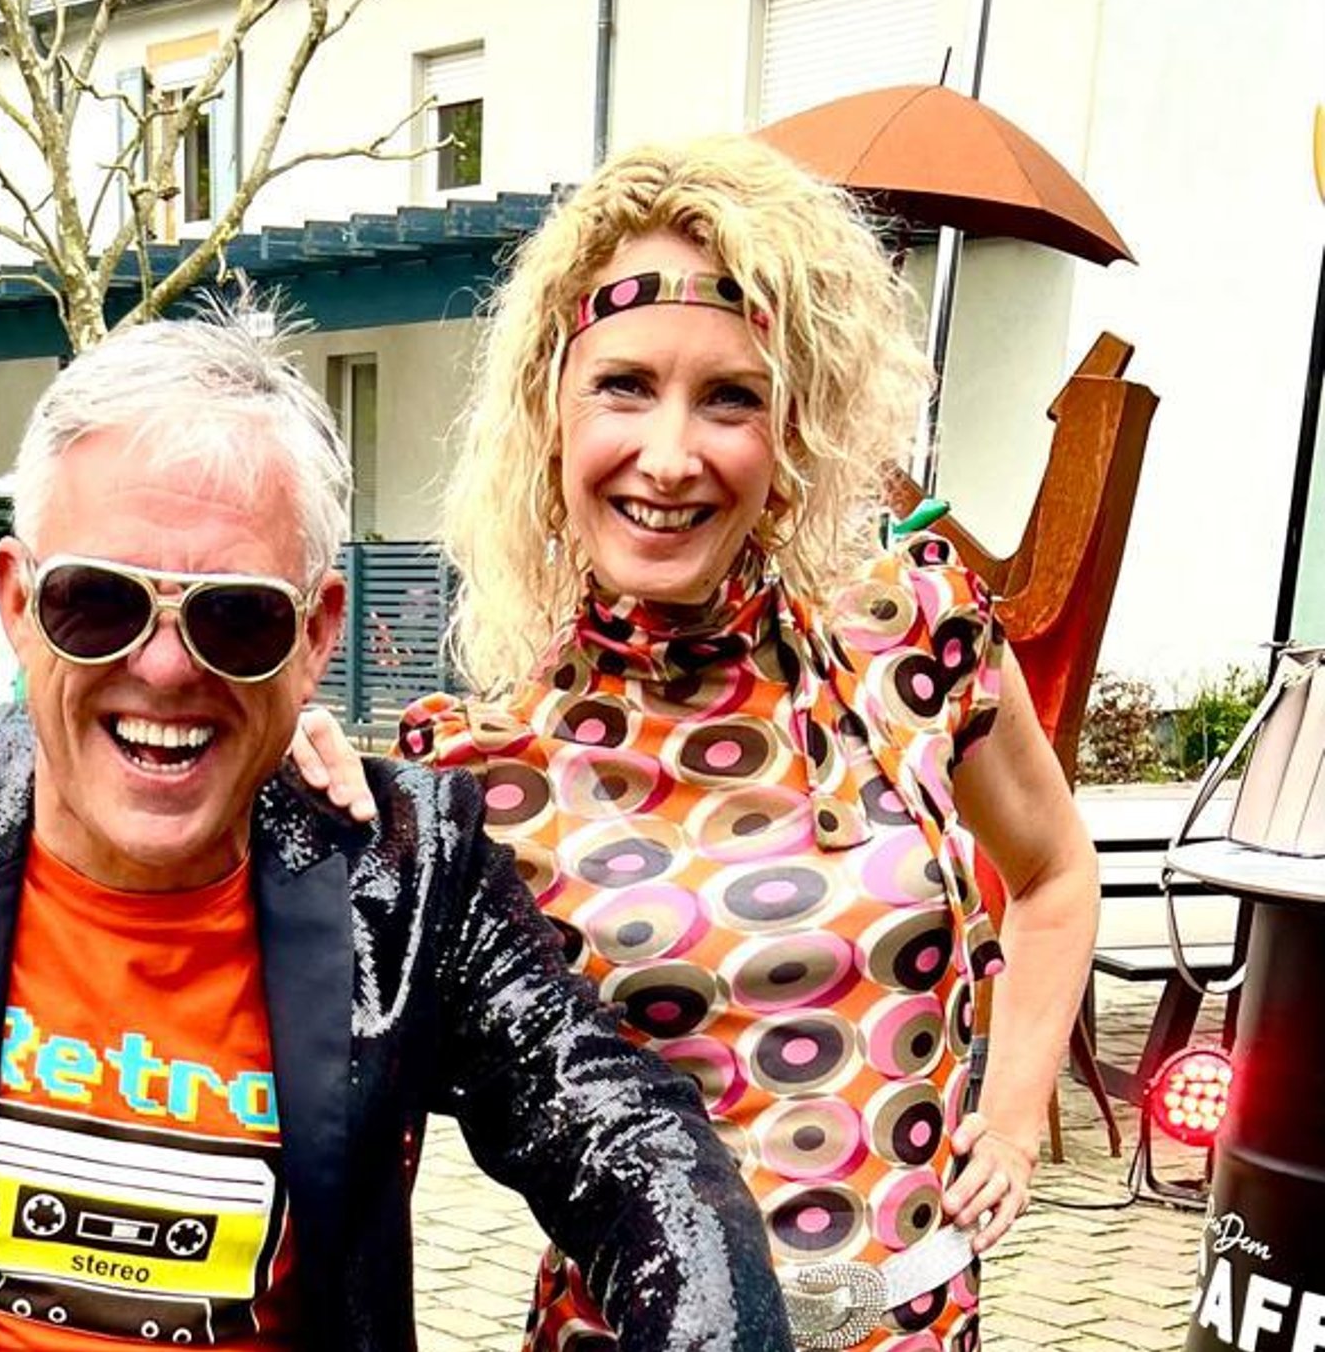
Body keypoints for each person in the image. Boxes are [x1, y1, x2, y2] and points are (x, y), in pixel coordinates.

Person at [0, 311, 792, 1352]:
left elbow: (634, 1150)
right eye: (99, 602)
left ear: (314, 635)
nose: (165, 667)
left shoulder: (409, 877)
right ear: (17, 603)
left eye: (235, 617)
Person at [294, 135, 1099, 1352]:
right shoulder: (472, 774)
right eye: (623, 385)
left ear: (792, 428)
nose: (669, 455)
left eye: (729, 396)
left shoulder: (913, 638)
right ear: (548, 414)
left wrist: (1016, 1108)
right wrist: (286, 788)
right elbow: (340, 1109)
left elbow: (1050, 871)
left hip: (912, 1327)